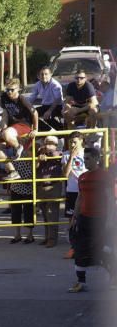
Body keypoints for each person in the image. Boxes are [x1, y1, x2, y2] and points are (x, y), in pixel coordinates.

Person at [69, 147, 114, 292]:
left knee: (103, 250)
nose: (85, 162)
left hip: (101, 219)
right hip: (84, 219)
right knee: (80, 249)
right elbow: (79, 198)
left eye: (88, 158)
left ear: (96, 159)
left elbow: (110, 199)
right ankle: (81, 282)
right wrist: (74, 217)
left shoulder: (105, 176)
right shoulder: (82, 177)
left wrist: (110, 220)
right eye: (84, 159)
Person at [0, 78, 39, 182]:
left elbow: (35, 112)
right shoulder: (4, 97)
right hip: (11, 127)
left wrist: (35, 129)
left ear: (18, 89)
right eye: (7, 90)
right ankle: (12, 171)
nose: (9, 92)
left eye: (12, 90)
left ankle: (19, 146)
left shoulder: (22, 99)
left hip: (24, 125)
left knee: (7, 134)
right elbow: (5, 114)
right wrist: (3, 126)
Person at [36, 136, 63, 248]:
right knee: (45, 215)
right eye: (46, 143)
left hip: (53, 186)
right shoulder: (41, 154)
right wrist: (38, 159)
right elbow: (35, 167)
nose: (47, 145)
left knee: (52, 214)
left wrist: (47, 155)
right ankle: (47, 237)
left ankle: (52, 239)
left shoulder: (59, 154)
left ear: (56, 145)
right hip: (41, 186)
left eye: (51, 143)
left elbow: (56, 156)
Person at [9, 139, 36, 244]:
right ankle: (17, 234)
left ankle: (30, 235)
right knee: (16, 212)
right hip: (15, 187)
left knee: (28, 212)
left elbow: (34, 169)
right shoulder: (14, 151)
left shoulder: (31, 150)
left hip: (28, 187)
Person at [28, 66, 64, 131]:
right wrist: (25, 106)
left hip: (57, 106)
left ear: (51, 74)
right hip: (45, 106)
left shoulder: (55, 84)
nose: (44, 76)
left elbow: (57, 99)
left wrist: (49, 111)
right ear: (38, 76)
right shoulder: (37, 84)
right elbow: (32, 98)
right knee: (30, 115)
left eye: (46, 74)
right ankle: (47, 131)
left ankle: (61, 132)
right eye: (42, 74)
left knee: (47, 116)